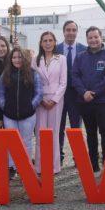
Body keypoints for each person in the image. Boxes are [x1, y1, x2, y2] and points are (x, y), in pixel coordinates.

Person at [71, 26, 105, 173]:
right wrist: (84, 92)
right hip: (85, 101)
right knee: (90, 133)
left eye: (96, 37)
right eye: (90, 38)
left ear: (101, 38)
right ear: (86, 40)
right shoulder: (80, 57)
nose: (93, 40)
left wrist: (94, 93)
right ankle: (93, 163)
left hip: (102, 101)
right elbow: (74, 76)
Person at [0, 47, 42, 179]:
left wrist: (31, 106)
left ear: (25, 58)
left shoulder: (33, 73)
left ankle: (25, 167)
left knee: (26, 141)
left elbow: (39, 93)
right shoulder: (5, 74)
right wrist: (4, 106)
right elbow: (1, 93)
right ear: (11, 59)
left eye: (19, 57)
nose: (17, 60)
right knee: (12, 142)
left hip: (28, 115)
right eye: (14, 57)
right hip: (9, 115)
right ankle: (12, 167)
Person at [32, 31, 67, 174]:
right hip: (40, 99)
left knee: (54, 132)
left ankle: (54, 166)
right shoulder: (34, 59)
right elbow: (33, 81)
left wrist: (54, 100)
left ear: (54, 42)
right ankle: (40, 166)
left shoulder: (61, 59)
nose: (47, 43)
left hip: (56, 100)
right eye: (45, 40)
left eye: (50, 40)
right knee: (40, 133)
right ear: (41, 43)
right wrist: (39, 99)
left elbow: (63, 82)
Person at [57, 20, 87, 165]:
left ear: (77, 32)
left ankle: (78, 157)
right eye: (68, 30)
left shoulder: (84, 49)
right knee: (59, 127)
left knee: (76, 127)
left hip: (77, 95)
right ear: (63, 32)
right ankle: (59, 157)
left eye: (73, 30)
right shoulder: (55, 49)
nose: (71, 32)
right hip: (59, 95)